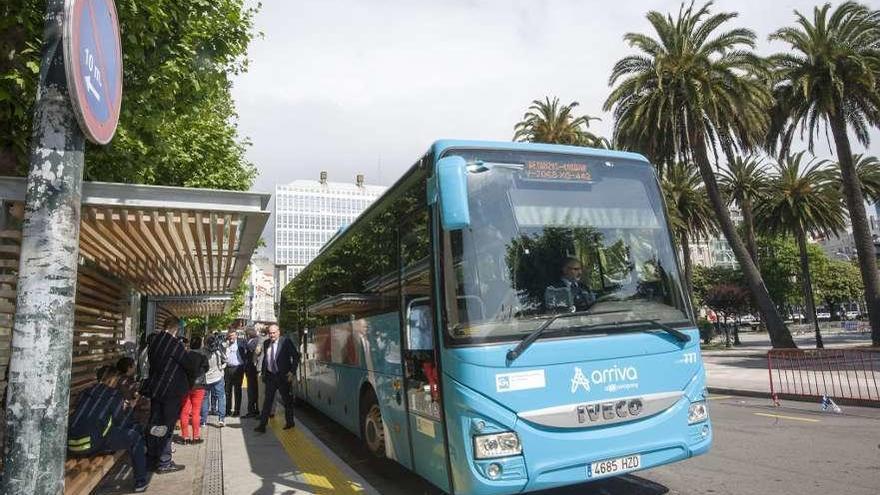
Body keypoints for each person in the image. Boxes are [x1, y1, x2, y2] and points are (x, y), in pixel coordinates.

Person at [68, 366, 149, 492]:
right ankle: (141, 481)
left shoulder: (85, 392)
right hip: (92, 444)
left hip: (72, 443)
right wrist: (127, 408)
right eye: (117, 380)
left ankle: (141, 454)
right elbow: (121, 422)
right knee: (135, 437)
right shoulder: (113, 394)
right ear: (112, 379)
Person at [142, 317, 189, 474]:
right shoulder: (174, 344)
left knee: (154, 424)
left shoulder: (154, 341)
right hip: (170, 391)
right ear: (175, 329)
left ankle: (151, 458)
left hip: (156, 390)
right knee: (166, 426)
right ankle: (164, 461)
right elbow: (187, 362)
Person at [254, 324, 300, 433]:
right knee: (267, 401)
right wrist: (264, 373)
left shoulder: (286, 342)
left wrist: (292, 372)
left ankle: (290, 422)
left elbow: (296, 356)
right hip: (271, 377)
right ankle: (262, 425)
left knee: (287, 401)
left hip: (283, 377)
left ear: (278, 332)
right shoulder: (266, 343)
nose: (272, 335)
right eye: (270, 333)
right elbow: (266, 359)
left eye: (274, 333)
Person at [179, 336, 209, 444]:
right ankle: (196, 437)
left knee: (185, 411)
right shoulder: (202, 356)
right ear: (200, 344)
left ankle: (185, 436)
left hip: (186, 386)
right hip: (199, 386)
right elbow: (206, 369)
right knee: (196, 412)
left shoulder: (184, 355)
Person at [200, 334, 227, 427]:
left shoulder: (202, 352)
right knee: (221, 397)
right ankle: (221, 419)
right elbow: (226, 359)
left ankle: (203, 420)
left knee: (204, 399)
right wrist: (221, 368)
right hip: (218, 377)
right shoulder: (217, 351)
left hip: (205, 379)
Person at [223, 328, 250, 417]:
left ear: (236, 335)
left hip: (238, 369)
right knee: (227, 390)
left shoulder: (242, 342)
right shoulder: (224, 343)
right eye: (229, 336)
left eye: (232, 335)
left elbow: (248, 352)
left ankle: (237, 410)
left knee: (237, 390)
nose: (231, 337)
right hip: (228, 369)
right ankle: (228, 410)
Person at [243, 327, 263, 418]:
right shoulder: (258, 340)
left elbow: (250, 349)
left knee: (251, 391)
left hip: (252, 370)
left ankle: (252, 411)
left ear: (247, 335)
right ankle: (256, 410)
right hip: (254, 370)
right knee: (256, 391)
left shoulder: (252, 342)